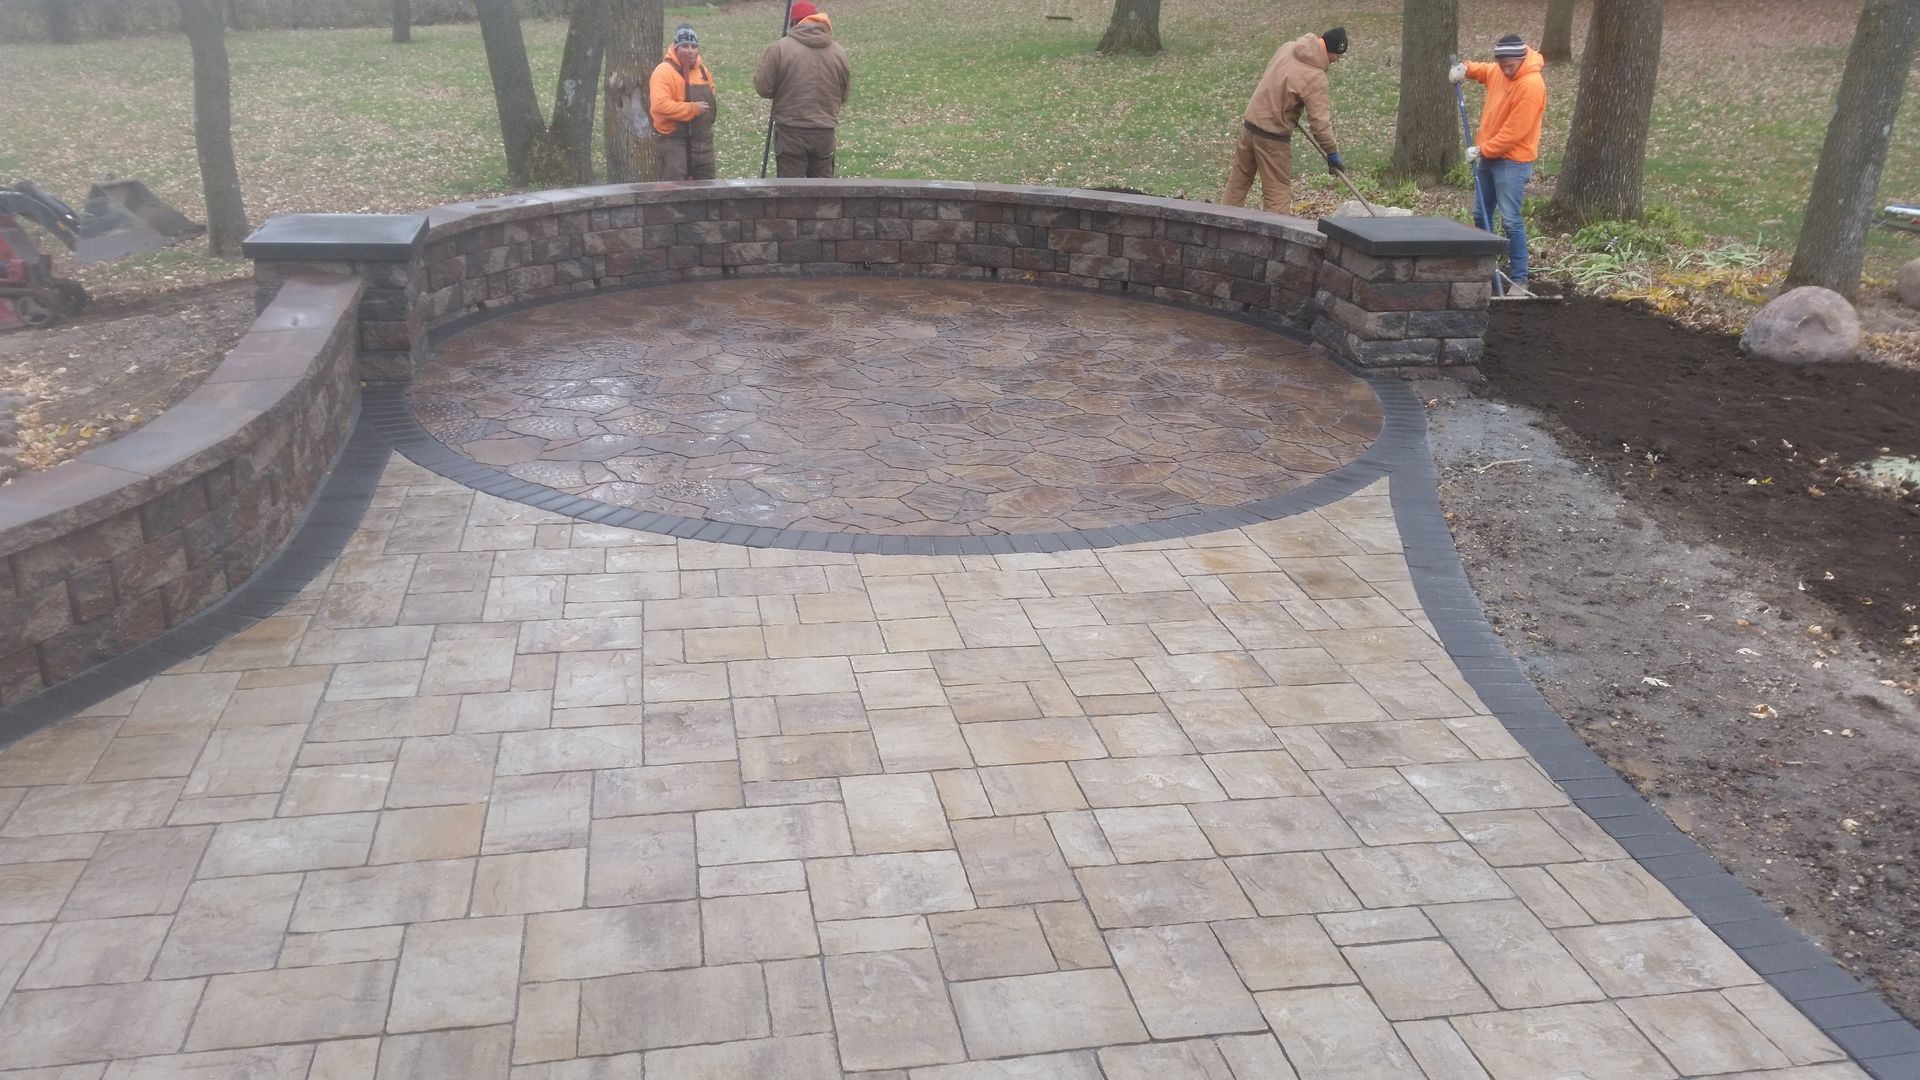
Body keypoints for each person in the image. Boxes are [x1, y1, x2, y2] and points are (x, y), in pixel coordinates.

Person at [1451, 34, 1547, 296]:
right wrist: (1466, 69)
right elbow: (1487, 70)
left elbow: (1514, 132)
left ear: (1521, 59)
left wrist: (1483, 149)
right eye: (1502, 64)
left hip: (1512, 161)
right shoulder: (1501, 70)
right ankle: (1485, 270)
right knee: (1481, 214)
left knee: (1510, 220)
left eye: (1509, 66)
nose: (1505, 70)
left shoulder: (1531, 85)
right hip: (1489, 157)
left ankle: (1519, 280)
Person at [1221, 27, 1348, 214]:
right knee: (1277, 192)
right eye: (1337, 56)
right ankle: (1275, 239)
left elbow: (1274, 79)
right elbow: (1319, 124)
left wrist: (1288, 107)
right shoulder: (1315, 77)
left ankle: (1219, 226)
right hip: (1273, 137)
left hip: (1250, 125)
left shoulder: (1287, 48)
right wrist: (1332, 153)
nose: (1336, 61)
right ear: (1331, 50)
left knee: (1238, 183)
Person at [754, 0, 852, 178]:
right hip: (825, 132)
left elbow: (763, 88)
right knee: (823, 194)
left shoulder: (780, 48)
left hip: (791, 132)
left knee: (793, 196)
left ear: (793, 23)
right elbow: (843, 95)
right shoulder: (839, 52)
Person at [651, 24, 718, 181]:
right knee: (674, 195)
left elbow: (712, 102)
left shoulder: (703, 72)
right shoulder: (663, 72)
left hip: (703, 143)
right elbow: (659, 106)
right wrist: (692, 109)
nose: (690, 50)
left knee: (709, 193)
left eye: (694, 46)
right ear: (675, 47)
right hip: (675, 143)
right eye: (685, 46)